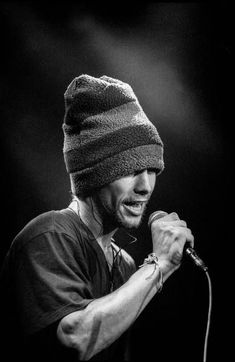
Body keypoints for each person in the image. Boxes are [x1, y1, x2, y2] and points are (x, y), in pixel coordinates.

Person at [0, 75, 194, 361]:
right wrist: (160, 265)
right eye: (131, 169)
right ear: (95, 172)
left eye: (152, 169)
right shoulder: (50, 236)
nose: (145, 186)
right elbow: (75, 339)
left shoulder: (125, 264)